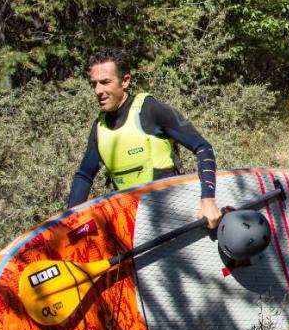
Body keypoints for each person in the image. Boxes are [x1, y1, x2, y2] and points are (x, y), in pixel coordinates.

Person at [66, 49, 223, 229]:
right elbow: (84, 176)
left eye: (105, 82)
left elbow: (203, 147)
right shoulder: (99, 128)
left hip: (173, 214)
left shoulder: (150, 111)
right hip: (134, 225)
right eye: (94, 84)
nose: (98, 90)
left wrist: (208, 200)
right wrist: (69, 221)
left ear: (125, 81)